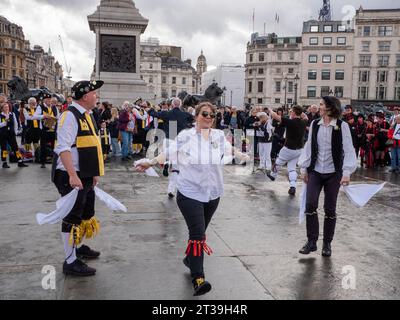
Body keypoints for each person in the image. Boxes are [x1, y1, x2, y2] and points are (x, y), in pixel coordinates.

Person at [136, 102, 250, 296]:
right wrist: (152, 162)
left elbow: (230, 149)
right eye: (205, 114)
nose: (209, 117)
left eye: (212, 115)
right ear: (196, 116)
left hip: (213, 193)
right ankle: (198, 278)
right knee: (198, 236)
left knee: (200, 231)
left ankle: (190, 259)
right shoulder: (185, 136)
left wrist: (242, 155)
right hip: (189, 192)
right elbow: (169, 153)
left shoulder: (218, 135)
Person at [52, 80, 105, 276]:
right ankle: (70, 260)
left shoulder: (87, 115)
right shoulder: (69, 116)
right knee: (72, 217)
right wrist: (73, 175)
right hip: (71, 175)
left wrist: (93, 173)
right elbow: (63, 148)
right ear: (85, 96)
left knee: (84, 213)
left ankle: (77, 246)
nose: (96, 96)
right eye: (94, 93)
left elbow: (91, 145)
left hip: (86, 174)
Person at [298, 96, 357, 257]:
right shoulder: (314, 124)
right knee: (310, 204)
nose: (319, 106)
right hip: (315, 171)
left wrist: (346, 173)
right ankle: (311, 241)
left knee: (330, 208)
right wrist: (304, 169)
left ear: (330, 108)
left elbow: (349, 150)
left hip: (333, 173)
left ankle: (327, 243)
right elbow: (309, 146)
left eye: (322, 104)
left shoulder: (342, 126)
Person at [267, 105, 308, 196]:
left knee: (278, 162)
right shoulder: (303, 122)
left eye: (291, 111)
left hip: (289, 148)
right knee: (292, 168)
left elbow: (275, 116)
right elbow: (305, 116)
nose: (290, 113)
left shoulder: (290, 122)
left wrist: (270, 109)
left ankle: (273, 175)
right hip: (299, 149)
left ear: (294, 112)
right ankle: (293, 186)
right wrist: (300, 112)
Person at [0, 101, 28, 168]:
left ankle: (20, 161)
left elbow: (15, 123)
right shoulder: (1, 115)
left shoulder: (12, 114)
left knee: (15, 148)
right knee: (4, 149)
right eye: (5, 107)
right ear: (2, 108)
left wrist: (15, 132)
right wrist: (5, 122)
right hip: (3, 134)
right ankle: (4, 162)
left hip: (11, 134)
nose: (7, 108)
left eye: (7, 107)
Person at [35, 93, 60, 168]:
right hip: (44, 130)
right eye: (48, 100)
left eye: (50, 99)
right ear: (44, 100)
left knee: (54, 146)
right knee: (43, 146)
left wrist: (55, 118)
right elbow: (35, 116)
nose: (49, 101)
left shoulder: (54, 107)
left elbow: (58, 116)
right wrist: (43, 116)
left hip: (53, 129)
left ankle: (54, 161)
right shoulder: (40, 107)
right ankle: (43, 162)